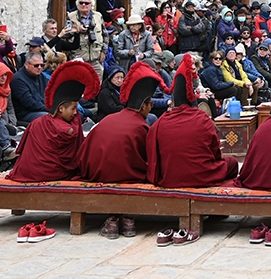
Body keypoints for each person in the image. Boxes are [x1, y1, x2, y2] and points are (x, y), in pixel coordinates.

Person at [147, 54, 239, 188]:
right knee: (232, 163)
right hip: (202, 176)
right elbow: (215, 152)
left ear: (173, 103)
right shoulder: (202, 119)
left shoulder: (160, 121)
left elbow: (153, 157)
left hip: (170, 177)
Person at [7, 62, 98, 183]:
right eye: (73, 108)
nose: (76, 113)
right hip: (51, 172)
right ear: (61, 108)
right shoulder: (65, 129)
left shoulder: (38, 122)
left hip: (27, 171)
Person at [80, 62, 165, 184]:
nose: (151, 108)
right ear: (143, 106)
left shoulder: (108, 119)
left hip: (94, 173)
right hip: (120, 177)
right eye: (150, 104)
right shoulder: (141, 127)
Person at [61, 0, 106, 77]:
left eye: (86, 3)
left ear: (91, 5)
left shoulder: (98, 16)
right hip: (78, 57)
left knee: (96, 85)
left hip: (96, 58)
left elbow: (105, 35)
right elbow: (64, 35)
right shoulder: (70, 16)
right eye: (81, 3)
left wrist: (104, 51)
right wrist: (76, 30)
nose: (84, 5)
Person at [11, 52, 50, 125]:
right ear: (27, 65)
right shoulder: (18, 79)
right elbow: (29, 103)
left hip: (41, 108)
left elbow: (50, 92)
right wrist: (49, 109)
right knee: (49, 117)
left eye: (42, 65)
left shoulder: (41, 76)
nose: (39, 67)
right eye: (36, 65)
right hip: (25, 113)